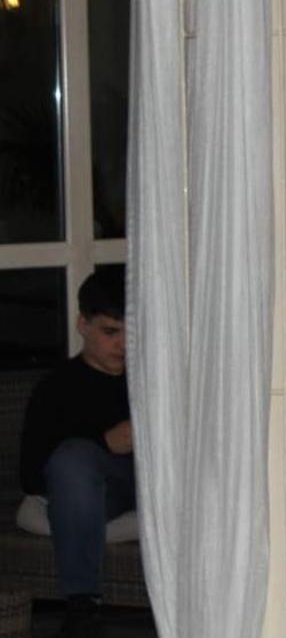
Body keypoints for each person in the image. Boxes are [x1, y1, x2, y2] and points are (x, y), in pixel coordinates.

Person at [18, 266, 135, 632]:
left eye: (132, 332)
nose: (123, 345)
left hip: (155, 486)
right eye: (110, 332)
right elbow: (31, 476)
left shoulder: (152, 378)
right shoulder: (56, 389)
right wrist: (104, 442)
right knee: (73, 459)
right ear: (83, 325)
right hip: (94, 491)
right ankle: (83, 600)